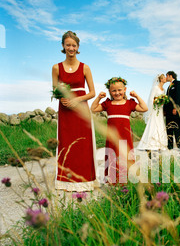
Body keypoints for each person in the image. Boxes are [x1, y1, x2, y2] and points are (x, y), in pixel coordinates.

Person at [52, 31, 97, 192]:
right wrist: (61, 98)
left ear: (78, 47)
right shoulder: (56, 68)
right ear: (63, 46)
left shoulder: (85, 67)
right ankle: (65, 182)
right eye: (68, 45)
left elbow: (92, 92)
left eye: (74, 45)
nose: (71, 48)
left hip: (81, 110)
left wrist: (76, 100)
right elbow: (55, 90)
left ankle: (86, 181)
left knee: (83, 144)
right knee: (66, 143)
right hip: (65, 112)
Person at [91, 77, 147, 184]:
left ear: (124, 89)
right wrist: (98, 98)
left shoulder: (129, 103)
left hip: (125, 135)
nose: (117, 93)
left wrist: (136, 96)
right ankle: (113, 179)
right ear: (110, 92)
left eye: (119, 90)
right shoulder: (107, 104)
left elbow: (144, 108)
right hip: (112, 136)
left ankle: (126, 178)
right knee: (112, 155)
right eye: (114, 91)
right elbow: (93, 109)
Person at [137, 74, 168, 154]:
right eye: (164, 77)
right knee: (153, 124)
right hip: (154, 109)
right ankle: (150, 144)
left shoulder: (164, 90)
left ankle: (160, 144)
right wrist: (156, 102)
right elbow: (151, 99)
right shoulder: (155, 88)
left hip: (160, 109)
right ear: (161, 79)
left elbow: (163, 100)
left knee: (160, 124)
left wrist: (162, 102)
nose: (165, 78)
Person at [164, 71, 180, 151]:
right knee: (169, 128)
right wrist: (164, 110)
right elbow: (167, 98)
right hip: (168, 112)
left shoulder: (178, 83)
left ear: (170, 76)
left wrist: (176, 108)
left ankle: (179, 147)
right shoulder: (169, 86)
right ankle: (170, 147)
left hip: (175, 111)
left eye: (166, 76)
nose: (166, 78)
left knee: (177, 128)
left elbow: (178, 96)